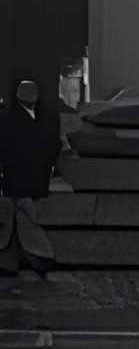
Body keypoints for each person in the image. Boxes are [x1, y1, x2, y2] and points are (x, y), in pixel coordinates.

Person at [0, 78, 62, 278]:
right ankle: (34, 257)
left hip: (22, 175)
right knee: (23, 215)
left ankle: (17, 260)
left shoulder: (9, 118)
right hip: (26, 175)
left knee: (17, 217)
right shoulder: (48, 117)